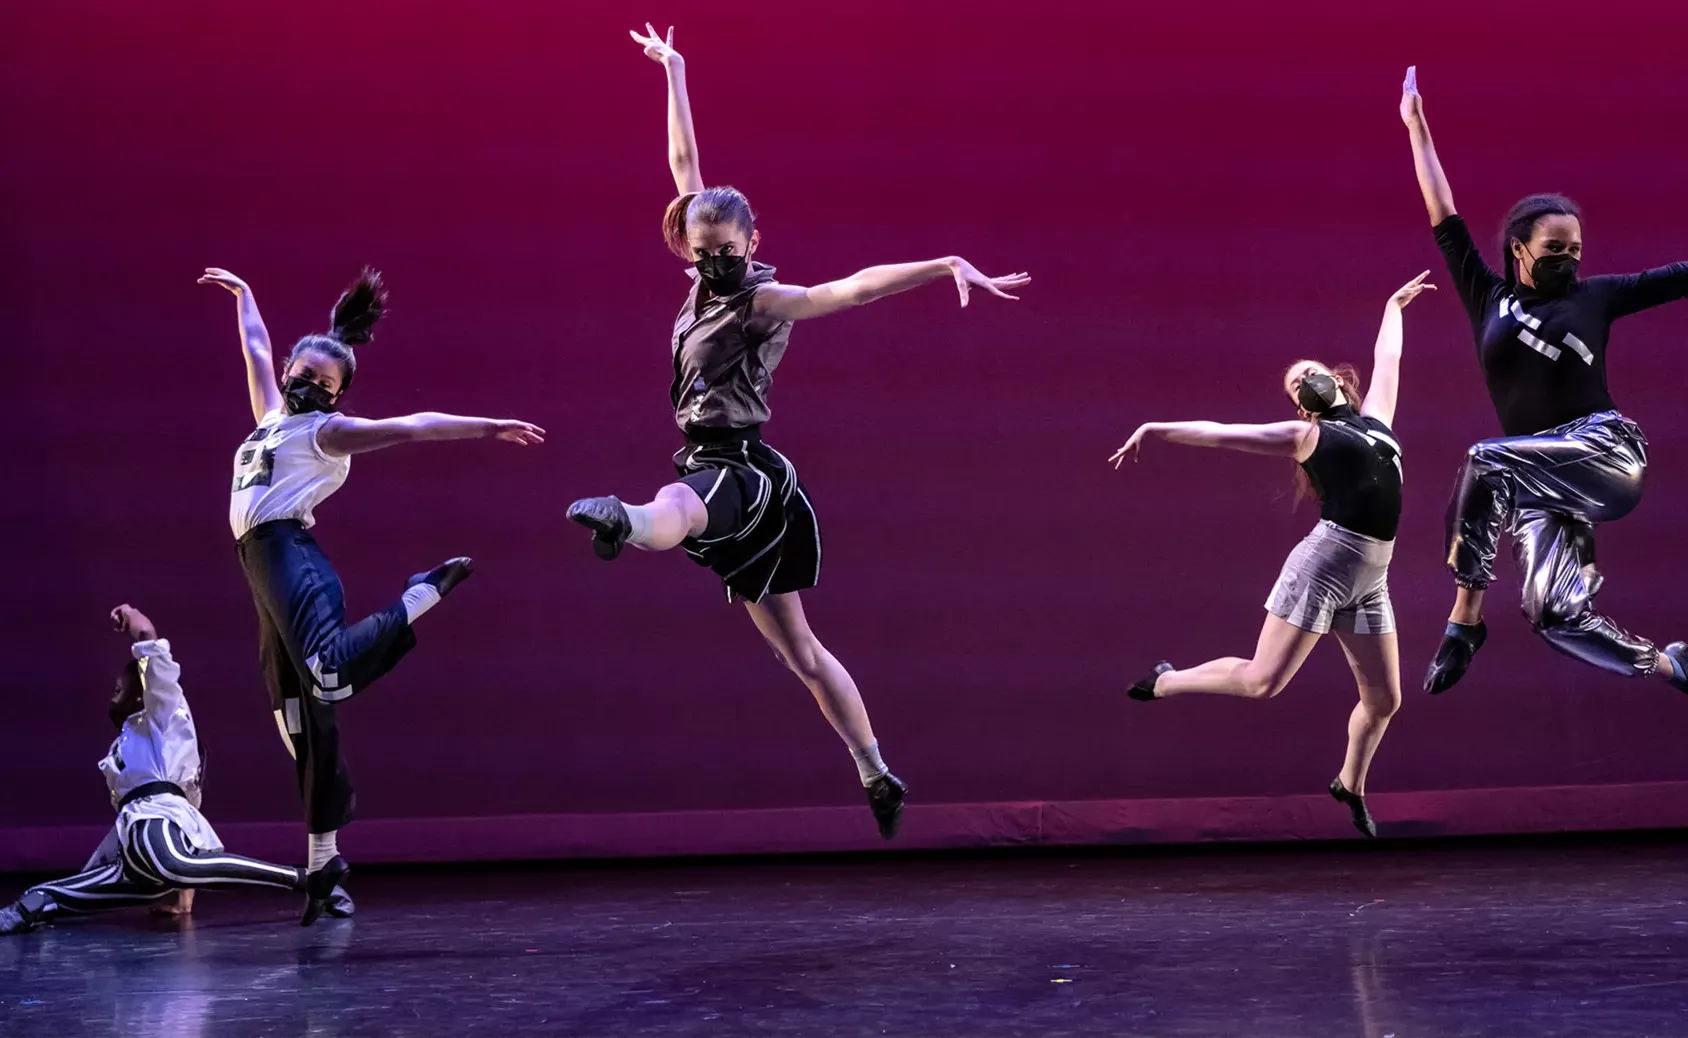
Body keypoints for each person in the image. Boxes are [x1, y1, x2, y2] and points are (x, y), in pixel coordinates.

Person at [564, 25, 1029, 840]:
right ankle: (876, 771)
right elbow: (685, 171)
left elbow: (848, 293)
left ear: (752, 244)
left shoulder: (757, 300)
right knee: (799, 654)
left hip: (736, 468)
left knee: (681, 501)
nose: (712, 260)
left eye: (726, 249)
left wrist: (941, 263)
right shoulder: (703, 279)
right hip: (751, 483)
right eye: (702, 248)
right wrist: (675, 72)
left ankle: (624, 521)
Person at [1398, 66, 1688, 705]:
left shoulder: (1597, 296)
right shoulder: (1485, 294)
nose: (1570, 257)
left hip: (1604, 452)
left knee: (1483, 460)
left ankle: (1463, 621)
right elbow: (1443, 210)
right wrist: (1417, 125)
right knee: (1552, 613)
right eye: (1555, 247)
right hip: (1542, 481)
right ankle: (1669, 666)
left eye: (1576, 248)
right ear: (1519, 248)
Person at [202, 266, 544, 909]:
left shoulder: (328, 434)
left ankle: (420, 594)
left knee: (329, 677)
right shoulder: (271, 417)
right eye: (300, 374)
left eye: (322, 383)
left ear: (336, 396)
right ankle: (324, 868)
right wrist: (248, 295)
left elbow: (414, 425)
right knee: (301, 721)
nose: (305, 384)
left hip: (290, 558)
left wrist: (487, 426)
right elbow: (254, 349)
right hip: (260, 571)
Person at [1109, 273, 1435, 837]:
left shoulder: (1378, 422)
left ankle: (1349, 784)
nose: (1303, 381)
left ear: (1336, 380)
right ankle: (1167, 680)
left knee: (1384, 701)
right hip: (1325, 565)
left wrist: (1392, 306)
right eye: (1294, 384)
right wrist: (1155, 427)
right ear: (1299, 406)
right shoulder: (1304, 436)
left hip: (1373, 575)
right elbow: (1219, 433)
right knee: (1263, 682)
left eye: (1310, 372)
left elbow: (1389, 358)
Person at [1, 605, 343, 935]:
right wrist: (94, 876)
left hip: (157, 835)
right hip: (138, 864)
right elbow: (140, 818)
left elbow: (154, 655)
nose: (113, 694)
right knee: (46, 895)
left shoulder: (163, 715)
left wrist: (135, 623)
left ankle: (309, 879)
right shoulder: (127, 745)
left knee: (173, 863)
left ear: (142, 695)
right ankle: (23, 911)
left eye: (120, 688)